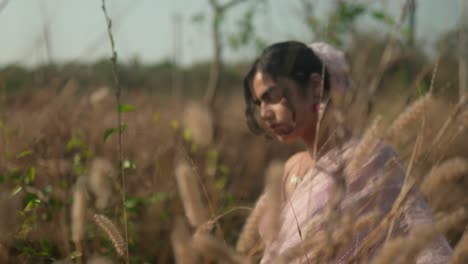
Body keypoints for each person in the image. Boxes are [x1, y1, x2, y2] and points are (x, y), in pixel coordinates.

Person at [242, 41, 452, 263]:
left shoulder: (372, 159)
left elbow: (417, 238)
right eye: (259, 103)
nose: (264, 113)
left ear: (315, 87)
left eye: (271, 97)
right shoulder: (289, 167)